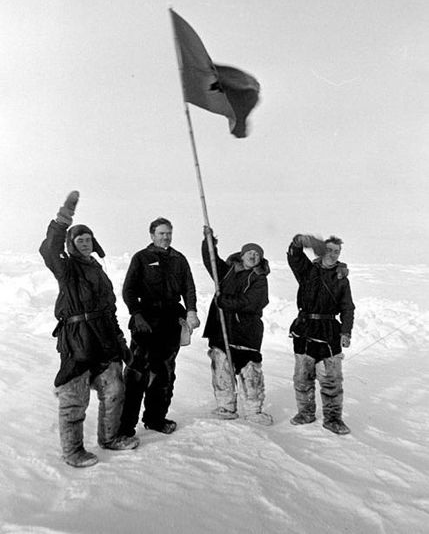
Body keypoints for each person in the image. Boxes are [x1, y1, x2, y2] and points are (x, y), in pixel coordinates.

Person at [39, 191, 139, 468]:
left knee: (115, 389)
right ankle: (72, 451)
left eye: (88, 239)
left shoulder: (98, 270)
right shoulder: (67, 269)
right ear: (71, 245)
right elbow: (50, 248)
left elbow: (110, 310)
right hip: (77, 340)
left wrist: (120, 342)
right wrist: (63, 218)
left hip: (104, 338)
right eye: (79, 240)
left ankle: (110, 437)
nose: (84, 243)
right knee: (75, 397)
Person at [119, 217, 200, 436]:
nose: (166, 237)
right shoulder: (141, 258)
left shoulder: (178, 259)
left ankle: (155, 419)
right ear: (152, 235)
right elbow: (129, 290)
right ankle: (124, 426)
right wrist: (136, 315)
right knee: (137, 374)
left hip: (171, 321)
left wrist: (191, 310)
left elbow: (189, 288)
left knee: (164, 374)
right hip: (146, 321)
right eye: (161, 233)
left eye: (169, 233)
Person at [201, 227, 273, 425]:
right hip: (223, 329)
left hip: (246, 332)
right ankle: (226, 406)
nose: (253, 255)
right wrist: (209, 242)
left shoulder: (260, 278)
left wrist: (224, 301)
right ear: (241, 255)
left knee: (250, 371)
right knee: (222, 367)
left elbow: (251, 302)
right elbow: (211, 262)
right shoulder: (227, 272)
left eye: (257, 254)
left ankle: (253, 410)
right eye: (250, 252)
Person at [287, 234, 355, 435]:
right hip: (305, 328)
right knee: (302, 377)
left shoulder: (342, 279)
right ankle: (306, 413)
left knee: (332, 380)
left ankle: (333, 419)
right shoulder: (308, 271)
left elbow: (347, 308)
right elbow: (295, 257)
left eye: (337, 251)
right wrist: (299, 242)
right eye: (330, 250)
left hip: (329, 330)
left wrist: (346, 332)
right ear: (322, 251)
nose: (333, 255)